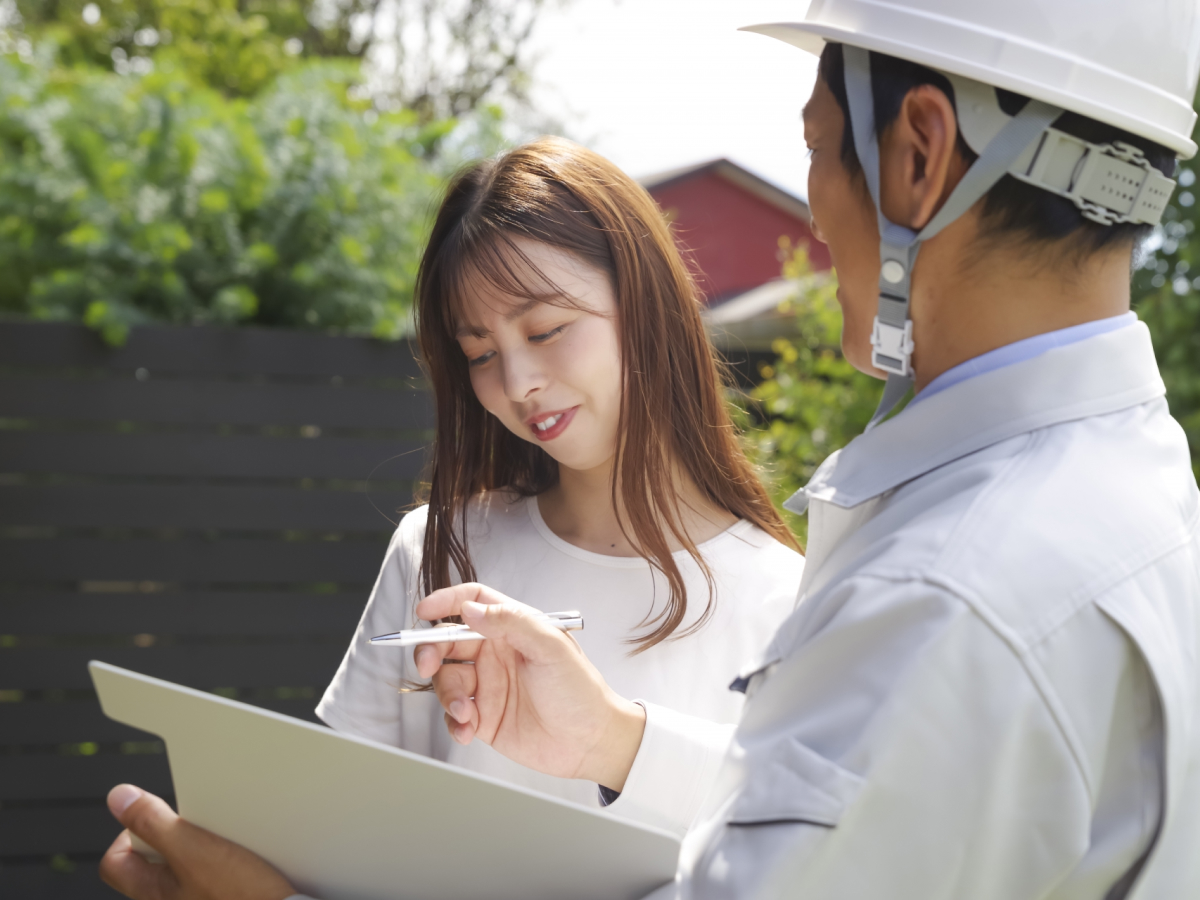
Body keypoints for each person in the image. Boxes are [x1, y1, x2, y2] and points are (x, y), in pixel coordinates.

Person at [98, 1, 1200, 898]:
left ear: (920, 150)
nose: (813, 213)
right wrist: (621, 744)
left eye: (816, 150)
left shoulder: (944, 592)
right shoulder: (1136, 513)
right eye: (480, 349)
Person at [313, 137, 803, 825]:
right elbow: (340, 821)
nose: (517, 383)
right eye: (479, 353)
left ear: (646, 304)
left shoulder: (784, 602)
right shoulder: (438, 546)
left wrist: (617, 742)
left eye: (545, 330)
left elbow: (811, 843)